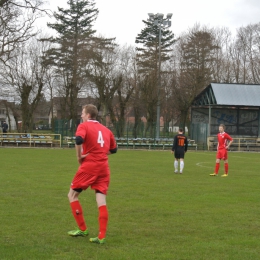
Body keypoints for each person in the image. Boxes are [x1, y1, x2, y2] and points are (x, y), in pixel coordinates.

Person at [67, 104, 117, 244]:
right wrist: (100, 154)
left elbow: (78, 140)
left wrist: (79, 157)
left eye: (82, 113)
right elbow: (114, 149)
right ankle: (101, 236)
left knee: (72, 195)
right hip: (104, 168)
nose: (81, 115)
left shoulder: (84, 126)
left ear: (88, 115)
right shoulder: (107, 130)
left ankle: (83, 229)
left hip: (90, 166)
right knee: (101, 201)